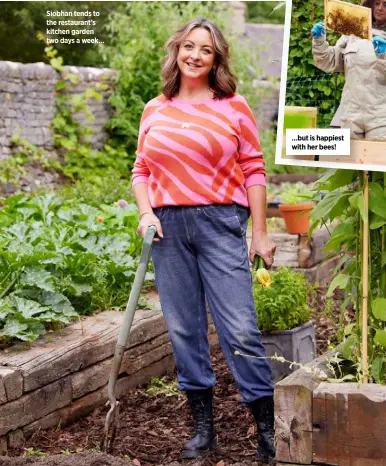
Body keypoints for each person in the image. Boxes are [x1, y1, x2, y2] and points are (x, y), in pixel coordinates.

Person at [131, 17, 276, 465]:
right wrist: (146, 212)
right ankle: (203, 429)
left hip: (219, 223)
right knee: (184, 330)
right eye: (189, 46)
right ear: (177, 50)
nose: (195, 55)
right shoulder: (155, 108)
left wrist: (260, 231)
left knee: (240, 330)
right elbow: (141, 170)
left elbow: (253, 169)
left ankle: (269, 429)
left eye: (206, 50)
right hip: (168, 230)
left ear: (217, 59)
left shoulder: (233, 105)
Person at [311, 0, 386, 139]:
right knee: (348, 159)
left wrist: (383, 56)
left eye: (385, 4)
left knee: (378, 159)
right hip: (350, 114)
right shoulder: (352, 34)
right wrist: (319, 41)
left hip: (381, 117)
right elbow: (329, 61)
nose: (380, 8)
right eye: (377, 3)